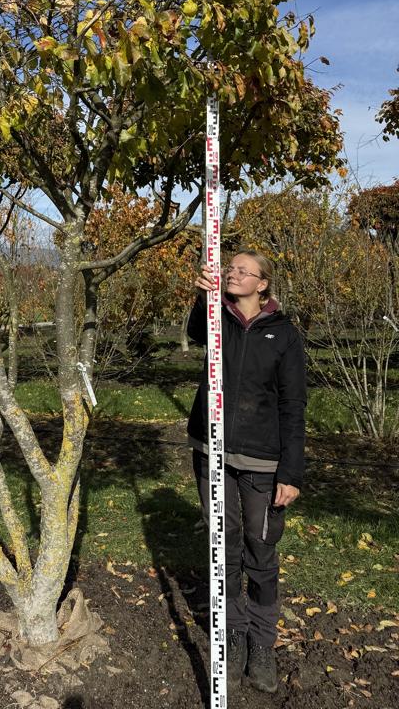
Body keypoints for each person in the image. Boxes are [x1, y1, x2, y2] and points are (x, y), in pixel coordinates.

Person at [186, 249, 306, 694]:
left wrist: (290, 472)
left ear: (263, 284)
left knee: (261, 551)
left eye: (242, 271)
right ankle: (233, 635)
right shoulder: (218, 319)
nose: (232, 273)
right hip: (211, 452)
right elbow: (197, 332)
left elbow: (294, 405)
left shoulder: (284, 335)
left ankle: (262, 643)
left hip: (262, 463)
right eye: (228, 268)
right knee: (225, 548)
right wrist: (202, 299)